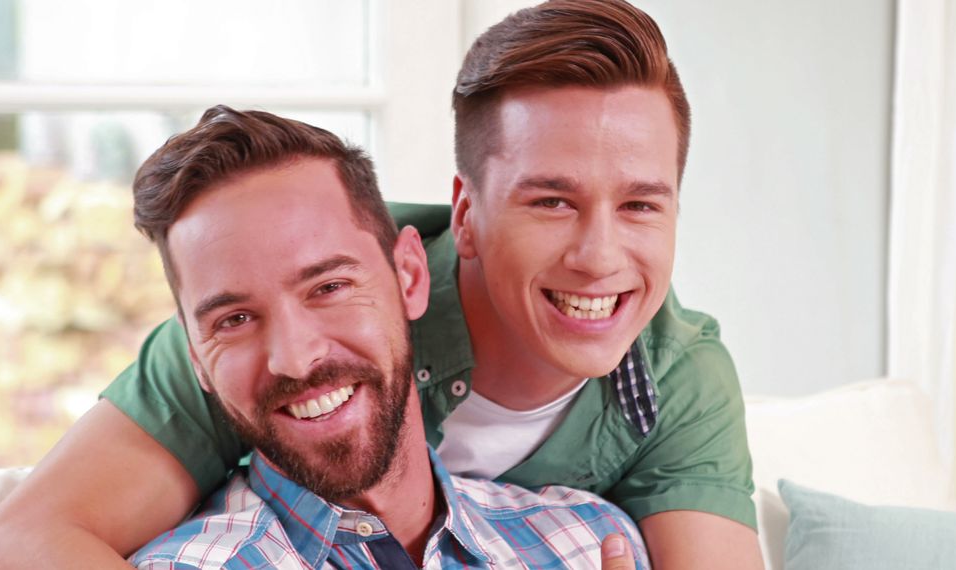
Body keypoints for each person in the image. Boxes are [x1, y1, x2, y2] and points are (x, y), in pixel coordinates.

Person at [0, 1, 761, 568]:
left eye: (641, 204)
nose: (598, 254)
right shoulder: (293, 311)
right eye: (550, 201)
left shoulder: (678, 381)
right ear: (465, 217)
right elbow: (18, 544)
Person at [124, 105, 647, 569]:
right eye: (234, 320)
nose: (296, 358)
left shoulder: (589, 541)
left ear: (410, 278)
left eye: (328, 287)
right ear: (196, 360)